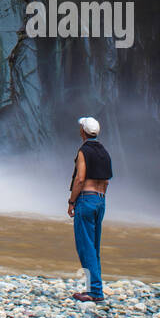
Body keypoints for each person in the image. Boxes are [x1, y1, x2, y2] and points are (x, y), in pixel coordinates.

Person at [68, 116, 112, 303]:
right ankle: (96, 289)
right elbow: (107, 181)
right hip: (100, 200)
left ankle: (94, 291)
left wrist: (72, 201)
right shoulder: (105, 152)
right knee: (94, 247)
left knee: (85, 246)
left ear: (82, 132)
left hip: (86, 200)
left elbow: (80, 178)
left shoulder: (83, 151)